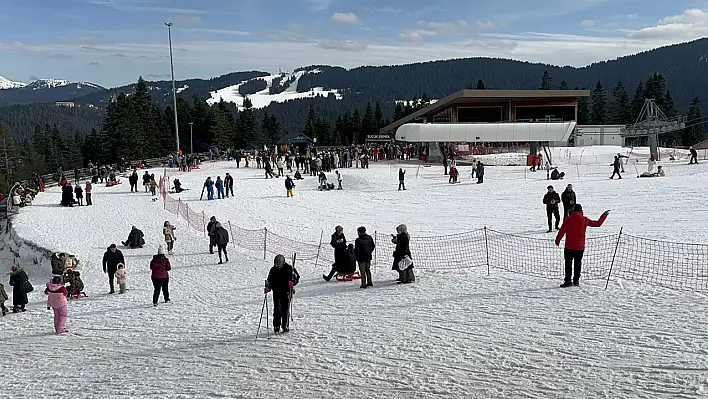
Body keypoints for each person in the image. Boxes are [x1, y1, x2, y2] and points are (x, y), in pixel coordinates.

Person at [555, 204, 610, 287]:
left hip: (569, 246)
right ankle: (576, 281)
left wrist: (557, 240)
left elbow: (562, 231)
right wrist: (604, 215)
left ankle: (568, 281)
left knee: (568, 264)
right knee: (578, 264)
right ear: (581, 211)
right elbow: (598, 223)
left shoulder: (568, 219)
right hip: (580, 247)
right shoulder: (584, 220)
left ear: (573, 210)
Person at [265, 254, 294, 333]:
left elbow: (296, 277)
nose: (278, 266)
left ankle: (285, 325)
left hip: (286, 292)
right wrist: (268, 287)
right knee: (277, 309)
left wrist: (293, 282)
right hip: (277, 292)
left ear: (283, 263)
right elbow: (270, 280)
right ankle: (276, 325)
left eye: (279, 265)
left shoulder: (289, 269)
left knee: (285, 309)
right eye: (276, 265)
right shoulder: (273, 270)